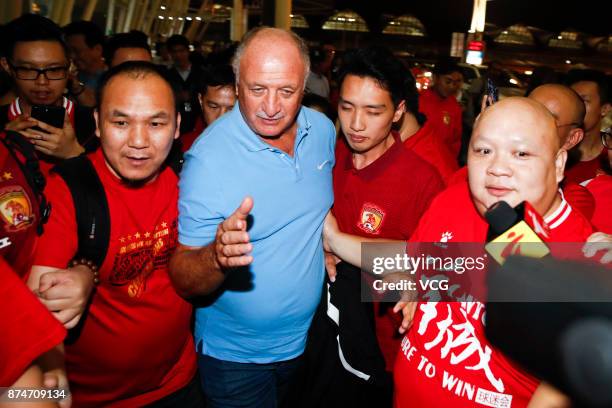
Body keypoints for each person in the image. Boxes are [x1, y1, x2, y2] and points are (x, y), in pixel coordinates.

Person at [169, 27, 335, 407]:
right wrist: (216, 256)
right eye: (257, 89)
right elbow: (182, 277)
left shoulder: (323, 131)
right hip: (235, 360)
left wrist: (326, 243)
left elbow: (312, 208)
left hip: (306, 342)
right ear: (237, 82)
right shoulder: (207, 160)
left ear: (306, 85)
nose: (272, 106)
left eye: (287, 91)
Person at [393, 97, 596, 407]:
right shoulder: (451, 199)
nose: (497, 168)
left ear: (558, 165)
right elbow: (411, 260)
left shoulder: (583, 259)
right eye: (484, 151)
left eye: (521, 153)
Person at [28, 62, 199, 407]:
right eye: (121, 122)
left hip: (179, 384)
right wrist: (48, 375)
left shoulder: (191, 181)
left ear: (177, 126)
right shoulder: (70, 189)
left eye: (156, 123)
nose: (138, 142)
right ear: (98, 125)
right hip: (92, 399)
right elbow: (40, 302)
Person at [1, 14, 97, 167]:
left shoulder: (95, 126)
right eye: (27, 69)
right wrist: (3, 146)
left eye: (54, 70)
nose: (42, 81)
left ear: (70, 66)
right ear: (7, 66)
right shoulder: (2, 127)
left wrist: (75, 155)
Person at [565, 69, 611, 184]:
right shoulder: (555, 153)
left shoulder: (609, 156)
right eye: (572, 101)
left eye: (583, 101)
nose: (576, 108)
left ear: (604, 109)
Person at [180, 64, 236, 152]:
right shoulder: (185, 146)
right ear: (200, 100)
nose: (221, 116)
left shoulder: (257, 147)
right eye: (214, 107)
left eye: (231, 109)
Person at [419, 58, 463, 158]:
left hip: (442, 163)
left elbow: (455, 141)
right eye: (448, 81)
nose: (452, 86)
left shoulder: (454, 106)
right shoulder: (419, 101)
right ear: (435, 78)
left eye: (456, 82)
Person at [165, 34, 206, 135]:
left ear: (188, 51)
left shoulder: (201, 73)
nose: (178, 55)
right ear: (170, 53)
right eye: (174, 52)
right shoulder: (167, 76)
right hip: (176, 122)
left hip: (198, 121)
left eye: (181, 51)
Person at [63, 20, 107, 107]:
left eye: (77, 51)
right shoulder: (73, 77)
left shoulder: (110, 80)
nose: (72, 56)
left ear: (97, 49)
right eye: (69, 51)